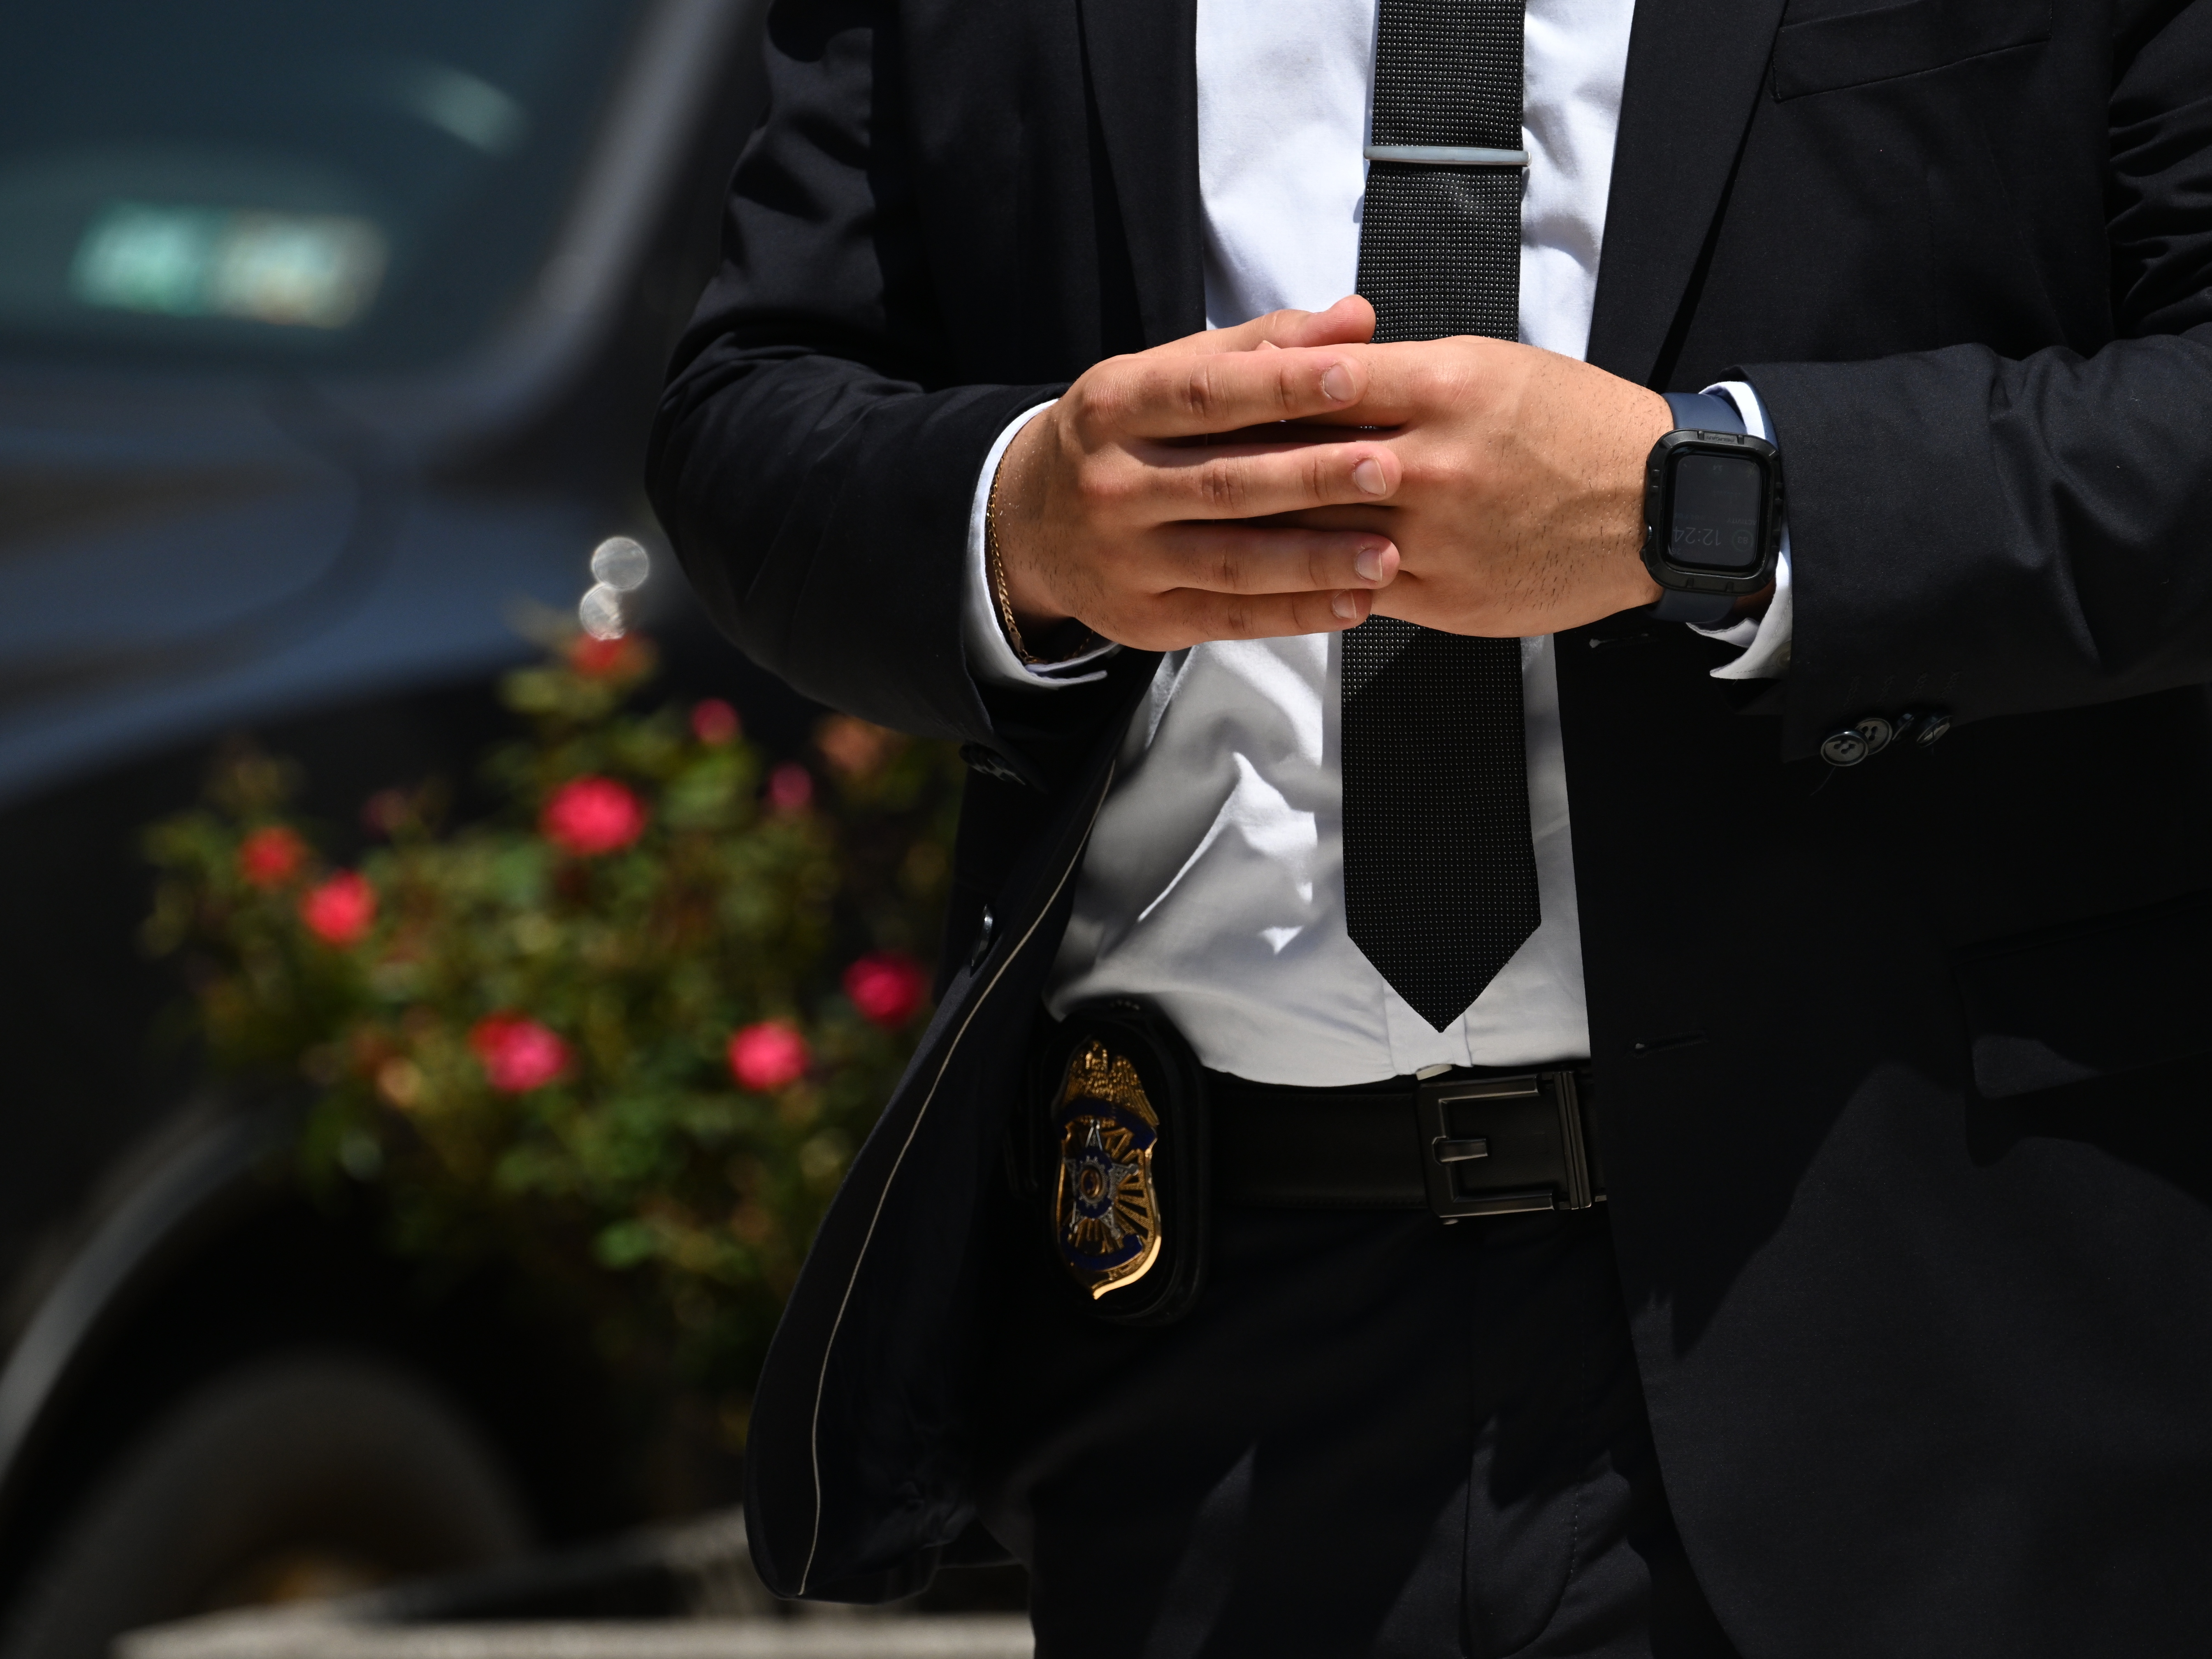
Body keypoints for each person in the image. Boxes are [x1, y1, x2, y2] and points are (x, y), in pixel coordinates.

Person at [646, 0, 2212, 1643]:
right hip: (1214, 1355)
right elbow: (748, 409)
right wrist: (1020, 517)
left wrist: (1709, 504)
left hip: (1908, 1289)